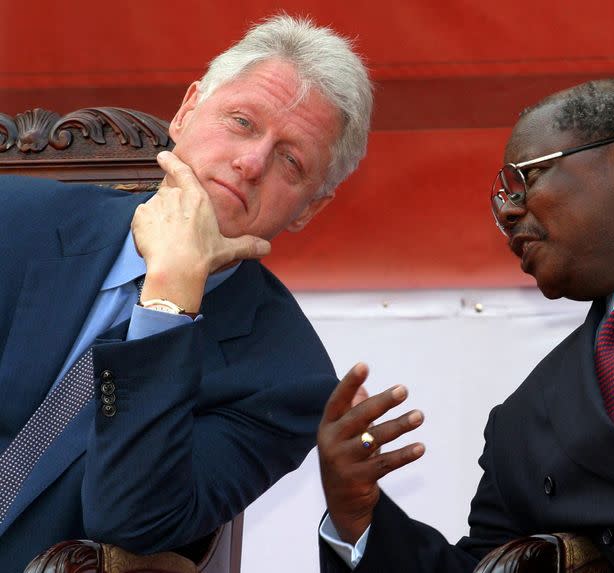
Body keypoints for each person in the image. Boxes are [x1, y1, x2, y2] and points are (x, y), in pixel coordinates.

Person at [317, 79, 614, 572]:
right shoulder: (523, 425)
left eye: (523, 180)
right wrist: (357, 520)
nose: (507, 212)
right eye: (501, 197)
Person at [0, 14, 372, 571]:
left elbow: (129, 519)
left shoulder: (286, 381)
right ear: (187, 110)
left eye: (290, 161)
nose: (251, 163)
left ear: (310, 207)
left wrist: (168, 302)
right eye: (242, 122)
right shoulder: (13, 221)